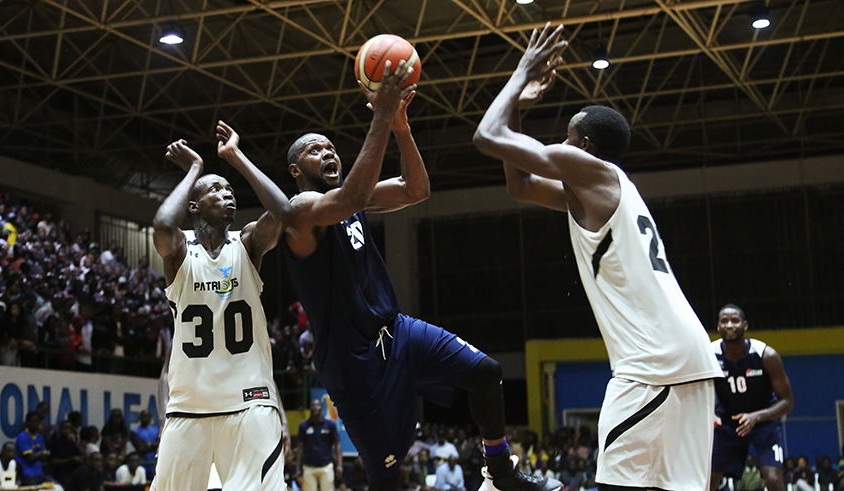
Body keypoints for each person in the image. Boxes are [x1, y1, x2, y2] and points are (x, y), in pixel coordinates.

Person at [279, 61, 560, 491]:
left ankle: (501, 469)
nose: (329, 153)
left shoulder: (354, 200)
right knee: (388, 480)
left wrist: (402, 129)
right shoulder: (299, 215)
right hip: (355, 364)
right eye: (316, 150)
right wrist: (380, 115)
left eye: (332, 147)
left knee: (486, 373)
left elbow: (417, 190)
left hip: (398, 332)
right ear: (296, 170)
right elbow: (352, 194)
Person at [473, 23, 723, 491]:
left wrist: (520, 74)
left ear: (584, 147)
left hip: (653, 364)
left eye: (566, 138)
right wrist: (522, 109)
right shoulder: (600, 193)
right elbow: (520, 186)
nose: (560, 145)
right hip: (686, 357)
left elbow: (487, 136)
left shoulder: (594, 171)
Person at [149, 121, 291, 491]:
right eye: (217, 189)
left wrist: (236, 158)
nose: (228, 194)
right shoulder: (181, 253)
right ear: (194, 205)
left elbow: (283, 213)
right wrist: (195, 169)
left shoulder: (246, 245)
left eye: (231, 190)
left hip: (250, 403)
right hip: (188, 407)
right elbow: (163, 225)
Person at [710, 304, 795, 491]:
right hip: (727, 421)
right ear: (718, 327)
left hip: (763, 421)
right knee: (707, 480)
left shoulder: (766, 355)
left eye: (735, 320)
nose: (730, 325)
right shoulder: (709, 355)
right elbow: (699, 392)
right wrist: (710, 414)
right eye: (724, 321)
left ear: (745, 325)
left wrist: (756, 417)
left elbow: (787, 403)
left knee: (773, 478)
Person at [297, 399, 342, 491]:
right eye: (313, 405)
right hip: (309, 467)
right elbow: (300, 447)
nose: (315, 407)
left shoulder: (330, 425)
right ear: (310, 408)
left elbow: (337, 445)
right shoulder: (303, 426)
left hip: (326, 466)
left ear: (322, 408)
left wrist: (340, 465)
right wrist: (298, 468)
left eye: (318, 405)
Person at [15, 411, 52, 486]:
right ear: (27, 423)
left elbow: (45, 456)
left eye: (38, 422)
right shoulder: (23, 437)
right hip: (26, 474)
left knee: (57, 487)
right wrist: (40, 455)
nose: (35, 425)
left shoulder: (39, 437)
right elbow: (30, 457)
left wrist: (39, 455)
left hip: (39, 473)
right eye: (33, 422)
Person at [129, 410, 158, 476]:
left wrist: (147, 446)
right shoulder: (135, 431)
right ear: (140, 417)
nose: (146, 418)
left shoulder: (156, 430)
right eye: (144, 416)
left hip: (154, 464)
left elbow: (159, 445)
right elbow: (140, 448)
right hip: (142, 464)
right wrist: (153, 445)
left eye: (148, 416)